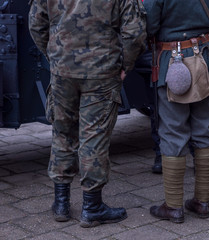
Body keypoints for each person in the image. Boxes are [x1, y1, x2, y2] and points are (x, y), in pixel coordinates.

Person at [28, 0, 146, 227]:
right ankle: (92, 207)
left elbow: (36, 25)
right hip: (102, 70)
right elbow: (135, 33)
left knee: (62, 133)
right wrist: (124, 66)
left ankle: (61, 204)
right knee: (94, 137)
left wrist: (56, 56)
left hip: (63, 70)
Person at [143, 0, 209, 223]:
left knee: (173, 132)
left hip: (171, 64)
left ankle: (172, 207)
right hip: (208, 62)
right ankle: (202, 202)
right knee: (206, 131)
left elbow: (148, 26)